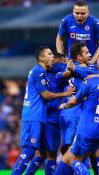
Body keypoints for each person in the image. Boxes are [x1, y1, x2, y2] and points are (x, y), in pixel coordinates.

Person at [11, 46, 75, 175]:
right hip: (33, 115)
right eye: (49, 54)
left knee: (40, 152)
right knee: (29, 150)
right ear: (41, 58)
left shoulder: (43, 72)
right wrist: (65, 94)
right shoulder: (39, 71)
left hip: (38, 116)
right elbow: (45, 95)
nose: (52, 57)